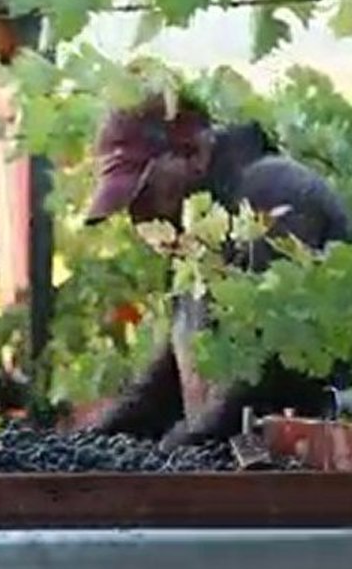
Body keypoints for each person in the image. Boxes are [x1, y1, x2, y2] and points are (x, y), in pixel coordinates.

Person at [85, 90, 352, 448]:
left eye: (142, 194)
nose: (137, 218)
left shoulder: (274, 195)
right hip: (248, 481)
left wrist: (181, 452)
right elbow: (165, 386)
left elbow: (267, 375)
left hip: (304, 485)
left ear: (191, 151)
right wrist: (93, 442)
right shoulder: (198, 238)